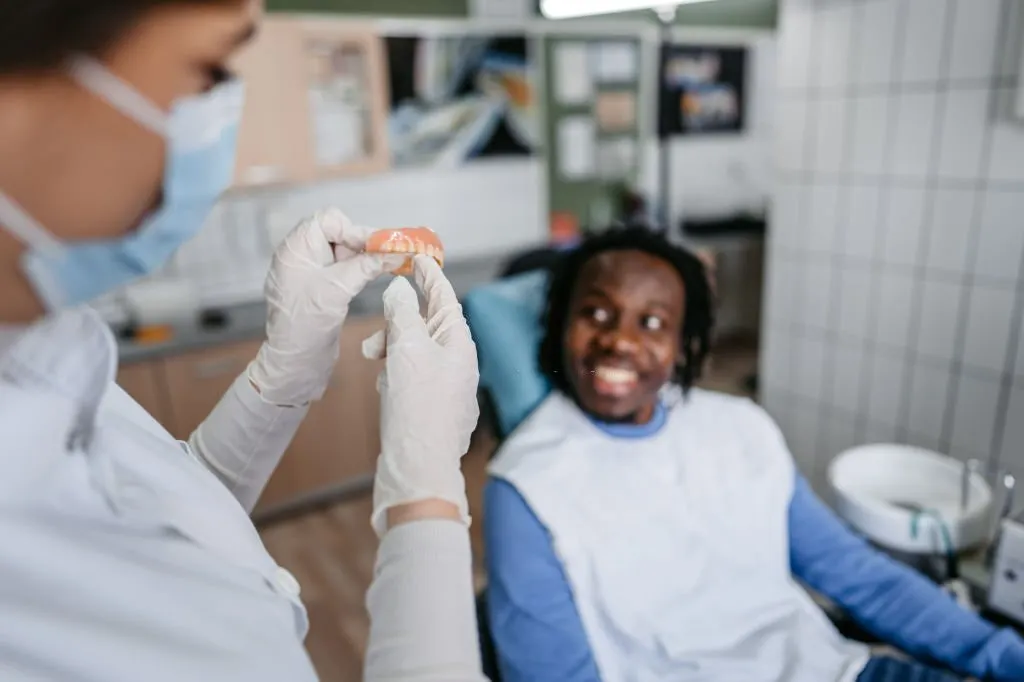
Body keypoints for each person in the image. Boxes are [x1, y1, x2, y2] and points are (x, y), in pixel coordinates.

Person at [0, 1, 484, 680]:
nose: (217, 131)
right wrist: (426, 496)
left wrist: (282, 376)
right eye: (207, 73)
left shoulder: (46, 339)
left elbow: (171, 511)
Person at [483, 226, 1024, 682]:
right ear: (560, 328)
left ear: (683, 345)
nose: (619, 342)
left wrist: (1002, 657)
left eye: (651, 323)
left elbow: (859, 576)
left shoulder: (739, 429)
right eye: (597, 314)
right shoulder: (529, 485)